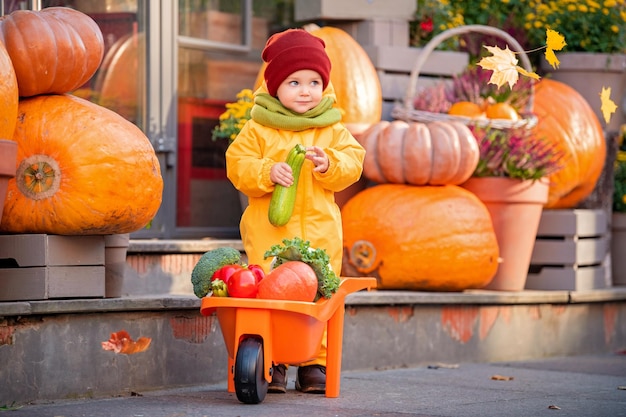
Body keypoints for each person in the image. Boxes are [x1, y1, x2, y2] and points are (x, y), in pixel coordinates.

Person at [225, 28, 366, 394]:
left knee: (320, 292)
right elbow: (237, 164)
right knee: (272, 292)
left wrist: (330, 163)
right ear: (274, 87)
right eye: (294, 82)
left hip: (321, 231)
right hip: (271, 233)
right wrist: (266, 171)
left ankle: (315, 364)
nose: (306, 91)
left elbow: (354, 162)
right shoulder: (258, 128)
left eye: (314, 82)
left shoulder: (332, 128)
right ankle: (274, 358)